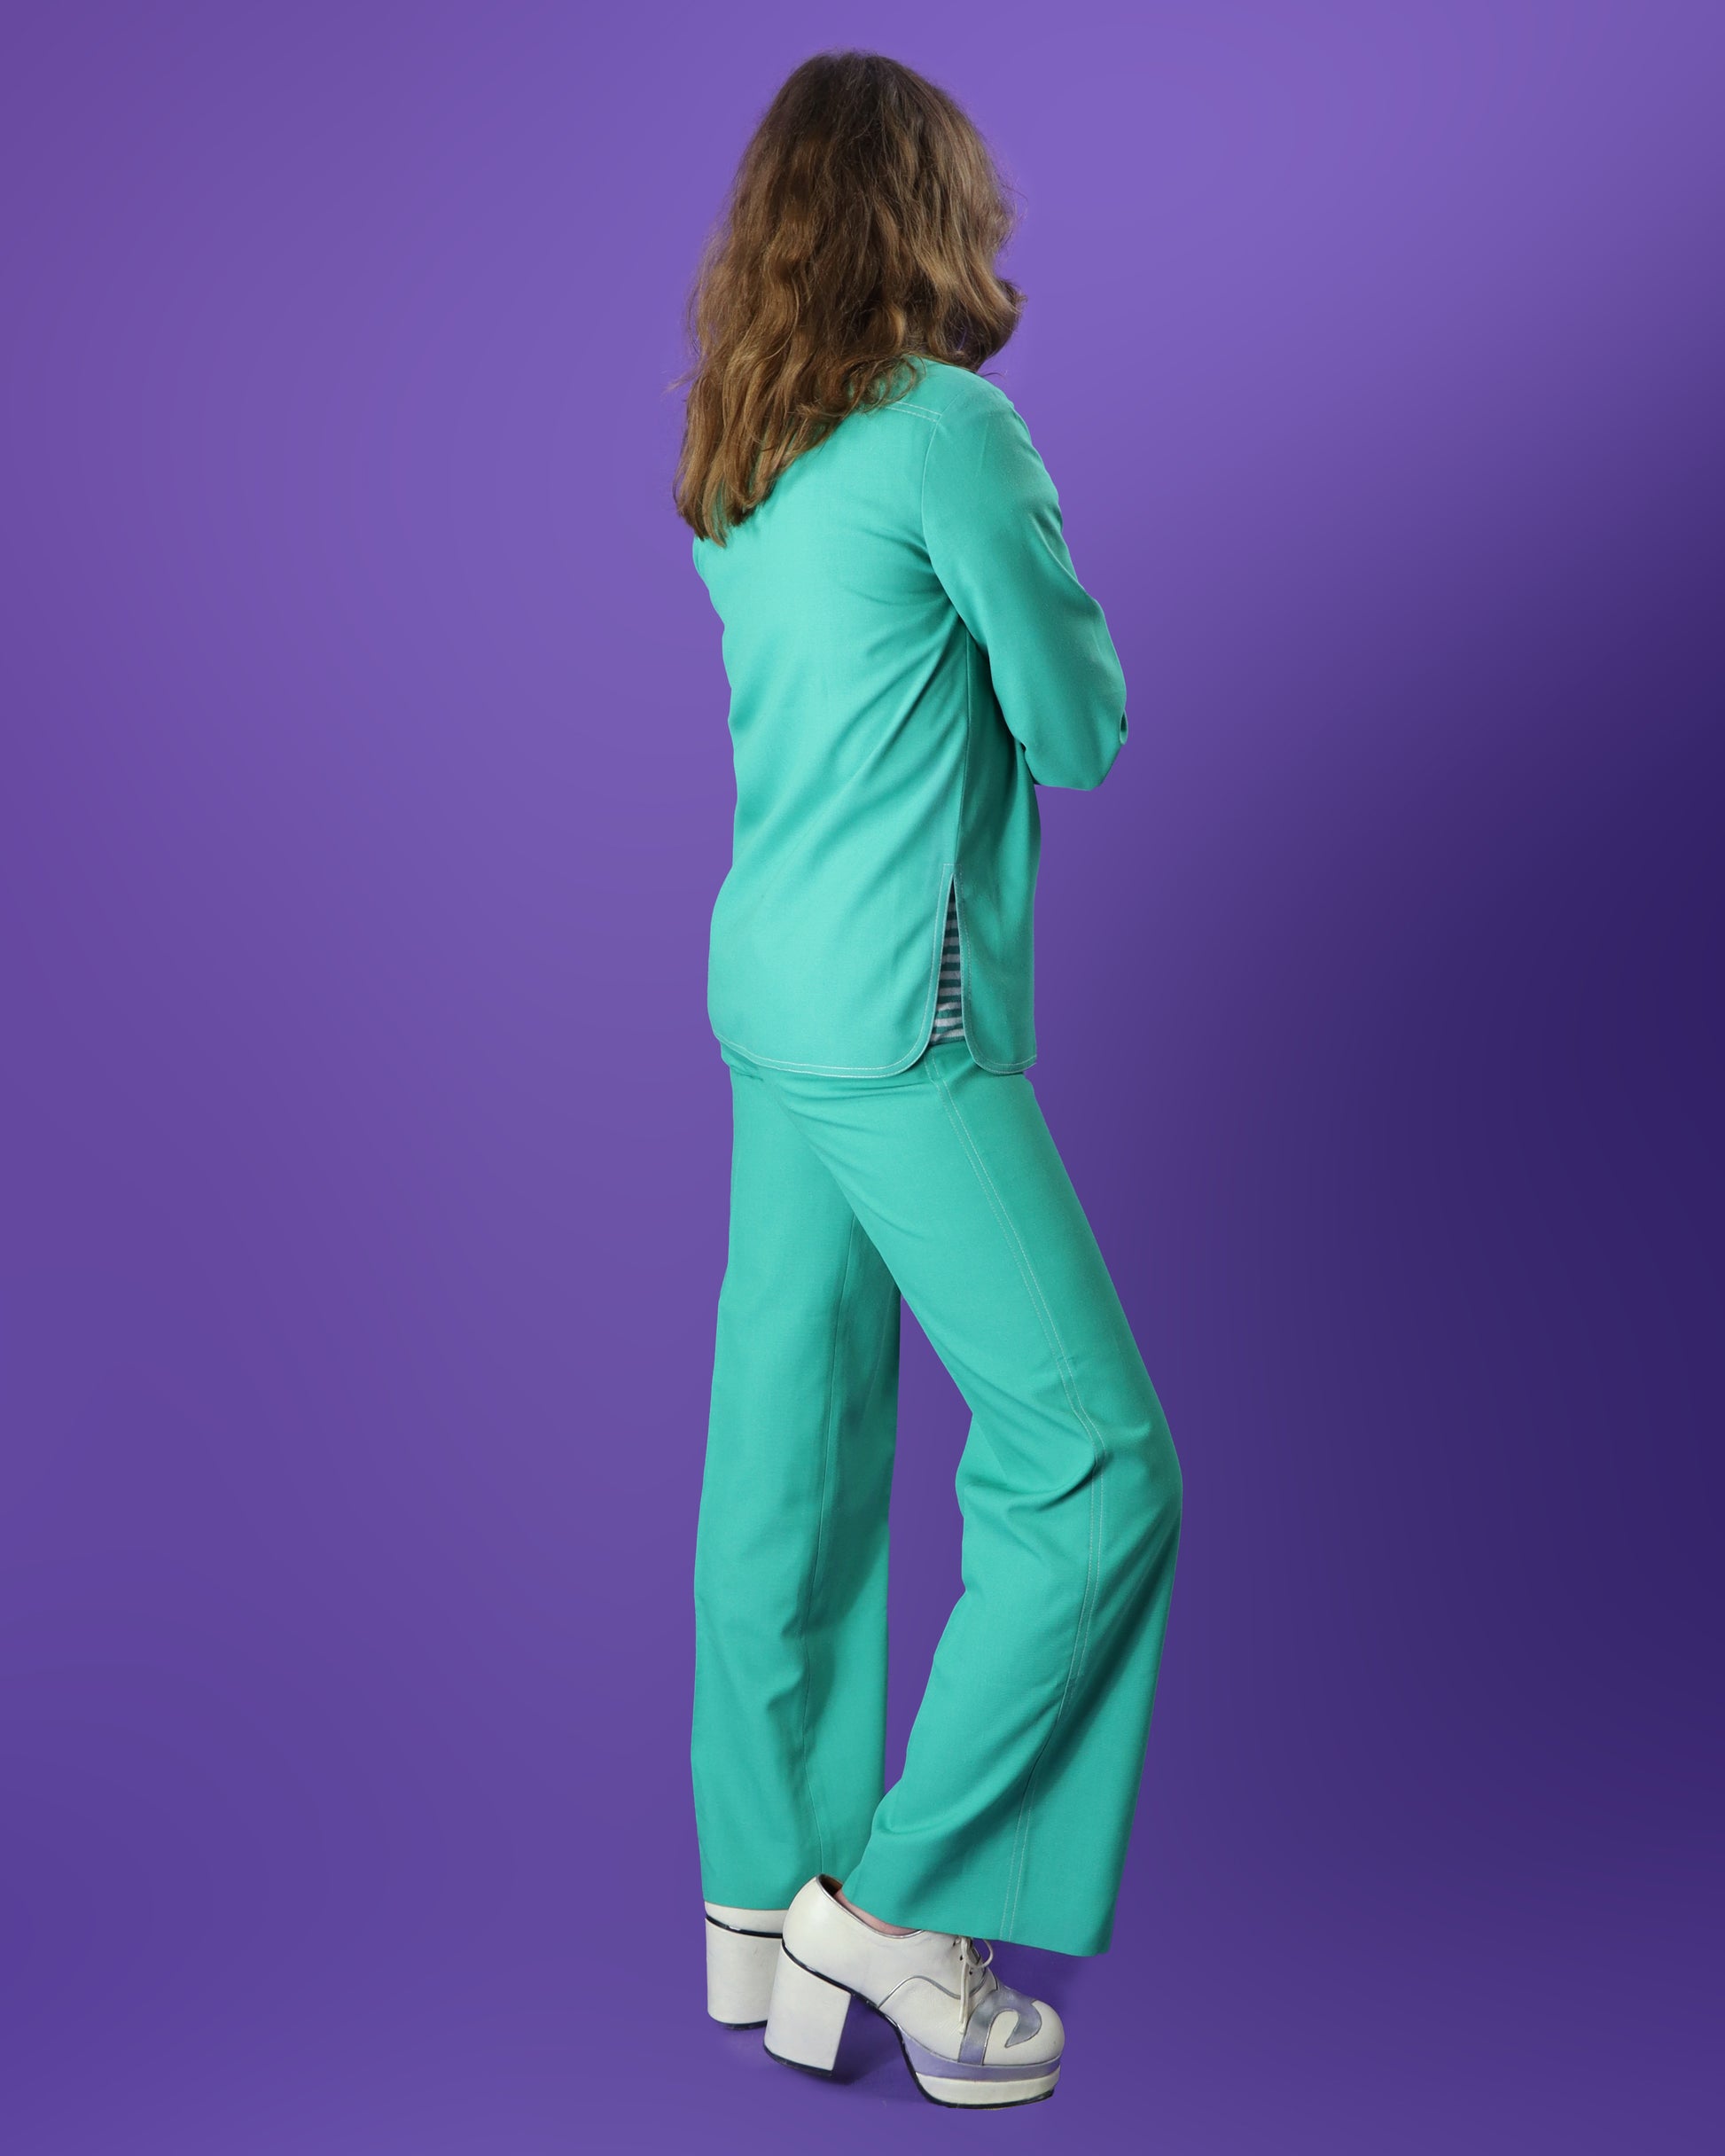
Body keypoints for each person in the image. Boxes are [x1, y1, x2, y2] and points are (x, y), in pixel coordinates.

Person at [675, 51, 1183, 2111]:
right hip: (905, 1013)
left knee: (784, 1445)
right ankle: (897, 1917)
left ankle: (756, 1894)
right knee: (1094, 1463)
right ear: (928, 214)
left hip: (767, 990)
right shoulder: (950, 431)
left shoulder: (748, 441)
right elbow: (1078, 726)